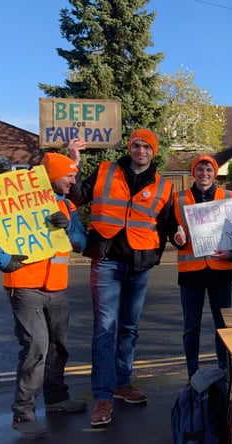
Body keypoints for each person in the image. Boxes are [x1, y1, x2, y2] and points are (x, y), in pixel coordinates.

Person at [67, 131, 176, 427]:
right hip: (106, 260)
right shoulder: (106, 170)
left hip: (139, 265)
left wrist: (177, 238)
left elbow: (168, 224)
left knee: (128, 328)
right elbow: (76, 195)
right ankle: (103, 396)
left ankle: (122, 383)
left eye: (147, 147)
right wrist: (73, 164)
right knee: (105, 329)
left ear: (153, 151)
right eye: (136, 146)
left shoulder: (163, 186)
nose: (141, 150)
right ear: (130, 148)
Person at [0, 153, 88, 439]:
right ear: (51, 176)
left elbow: (82, 243)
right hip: (24, 285)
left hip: (57, 286)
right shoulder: (10, 204)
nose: (74, 181)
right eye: (69, 176)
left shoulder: (68, 205)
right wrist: (2, 260)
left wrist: (68, 227)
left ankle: (57, 398)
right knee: (36, 347)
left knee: (58, 346)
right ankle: (23, 415)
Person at [171, 155, 232, 379]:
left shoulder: (229, 197)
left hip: (220, 271)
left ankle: (224, 370)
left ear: (215, 172)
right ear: (193, 172)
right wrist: (176, 238)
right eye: (200, 169)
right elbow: (171, 230)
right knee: (191, 327)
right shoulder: (179, 198)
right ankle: (192, 373)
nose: (204, 174)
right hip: (191, 274)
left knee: (222, 325)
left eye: (209, 169)